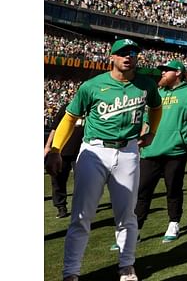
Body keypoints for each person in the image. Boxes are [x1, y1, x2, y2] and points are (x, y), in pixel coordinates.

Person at [45, 38, 162, 281]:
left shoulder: (146, 85)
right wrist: (55, 149)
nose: (128, 56)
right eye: (122, 53)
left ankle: (127, 265)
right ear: (111, 57)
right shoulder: (92, 86)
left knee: (127, 214)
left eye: (132, 52)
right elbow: (69, 117)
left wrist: (152, 132)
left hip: (128, 151)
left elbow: (156, 107)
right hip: (95, 151)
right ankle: (71, 272)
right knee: (82, 214)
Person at [134, 60, 187, 243]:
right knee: (142, 191)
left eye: (165, 71)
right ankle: (134, 228)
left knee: (173, 189)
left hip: (175, 150)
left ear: (177, 72)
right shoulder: (157, 93)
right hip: (151, 150)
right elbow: (146, 120)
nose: (162, 74)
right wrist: (141, 139)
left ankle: (174, 222)